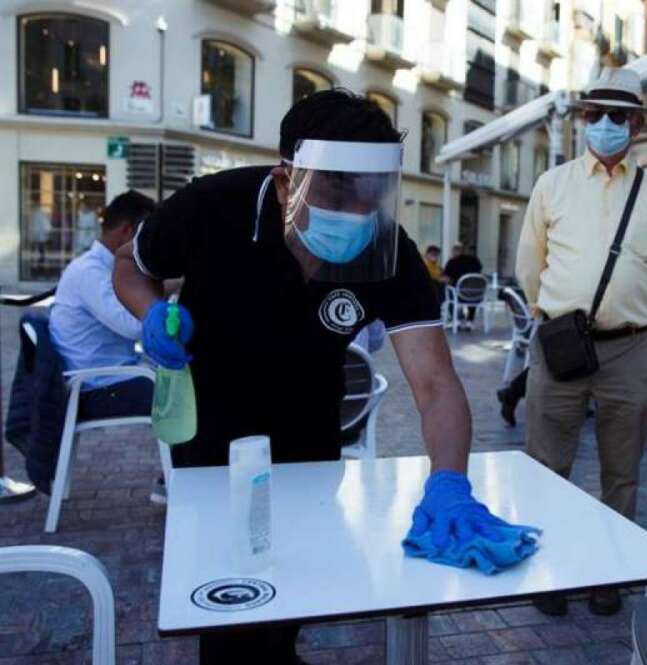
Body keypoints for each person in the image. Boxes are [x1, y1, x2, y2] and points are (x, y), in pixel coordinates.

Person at [112, 89, 528, 664]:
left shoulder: (386, 248)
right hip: (213, 430)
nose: (357, 210)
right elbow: (131, 266)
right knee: (230, 604)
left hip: (312, 426)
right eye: (337, 189)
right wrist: (150, 313)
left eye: (371, 193)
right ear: (287, 181)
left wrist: (450, 482)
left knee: (299, 578)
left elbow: (435, 384)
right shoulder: (212, 206)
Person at [516, 67, 647, 616]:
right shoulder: (552, 184)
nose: (605, 124)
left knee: (622, 470)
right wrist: (560, 315)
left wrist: (624, 313)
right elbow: (530, 265)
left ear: (636, 123)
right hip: (562, 342)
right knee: (546, 464)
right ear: (584, 119)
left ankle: (606, 572)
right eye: (595, 114)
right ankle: (548, 573)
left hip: (631, 348)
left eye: (617, 115)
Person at [50, 191, 163, 502]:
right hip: (94, 388)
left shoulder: (98, 267)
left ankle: (178, 473)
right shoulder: (90, 272)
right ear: (128, 231)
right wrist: (165, 289)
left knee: (181, 379)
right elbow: (134, 325)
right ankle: (176, 478)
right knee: (184, 394)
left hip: (107, 377)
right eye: (144, 233)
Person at [444, 243, 483, 329]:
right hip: (476, 295)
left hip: (459, 295)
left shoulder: (452, 262)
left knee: (449, 291)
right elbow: (479, 272)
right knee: (472, 291)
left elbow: (446, 277)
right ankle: (470, 321)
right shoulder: (474, 260)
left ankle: (456, 320)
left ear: (454, 251)